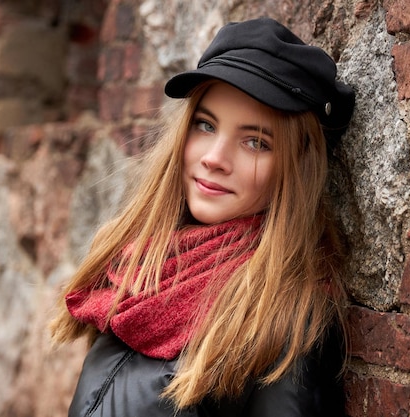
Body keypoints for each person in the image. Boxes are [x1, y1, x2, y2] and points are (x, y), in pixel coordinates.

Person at [50, 16, 355, 417]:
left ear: (296, 165)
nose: (214, 158)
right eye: (206, 125)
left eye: (255, 142)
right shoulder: (141, 266)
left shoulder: (288, 321)